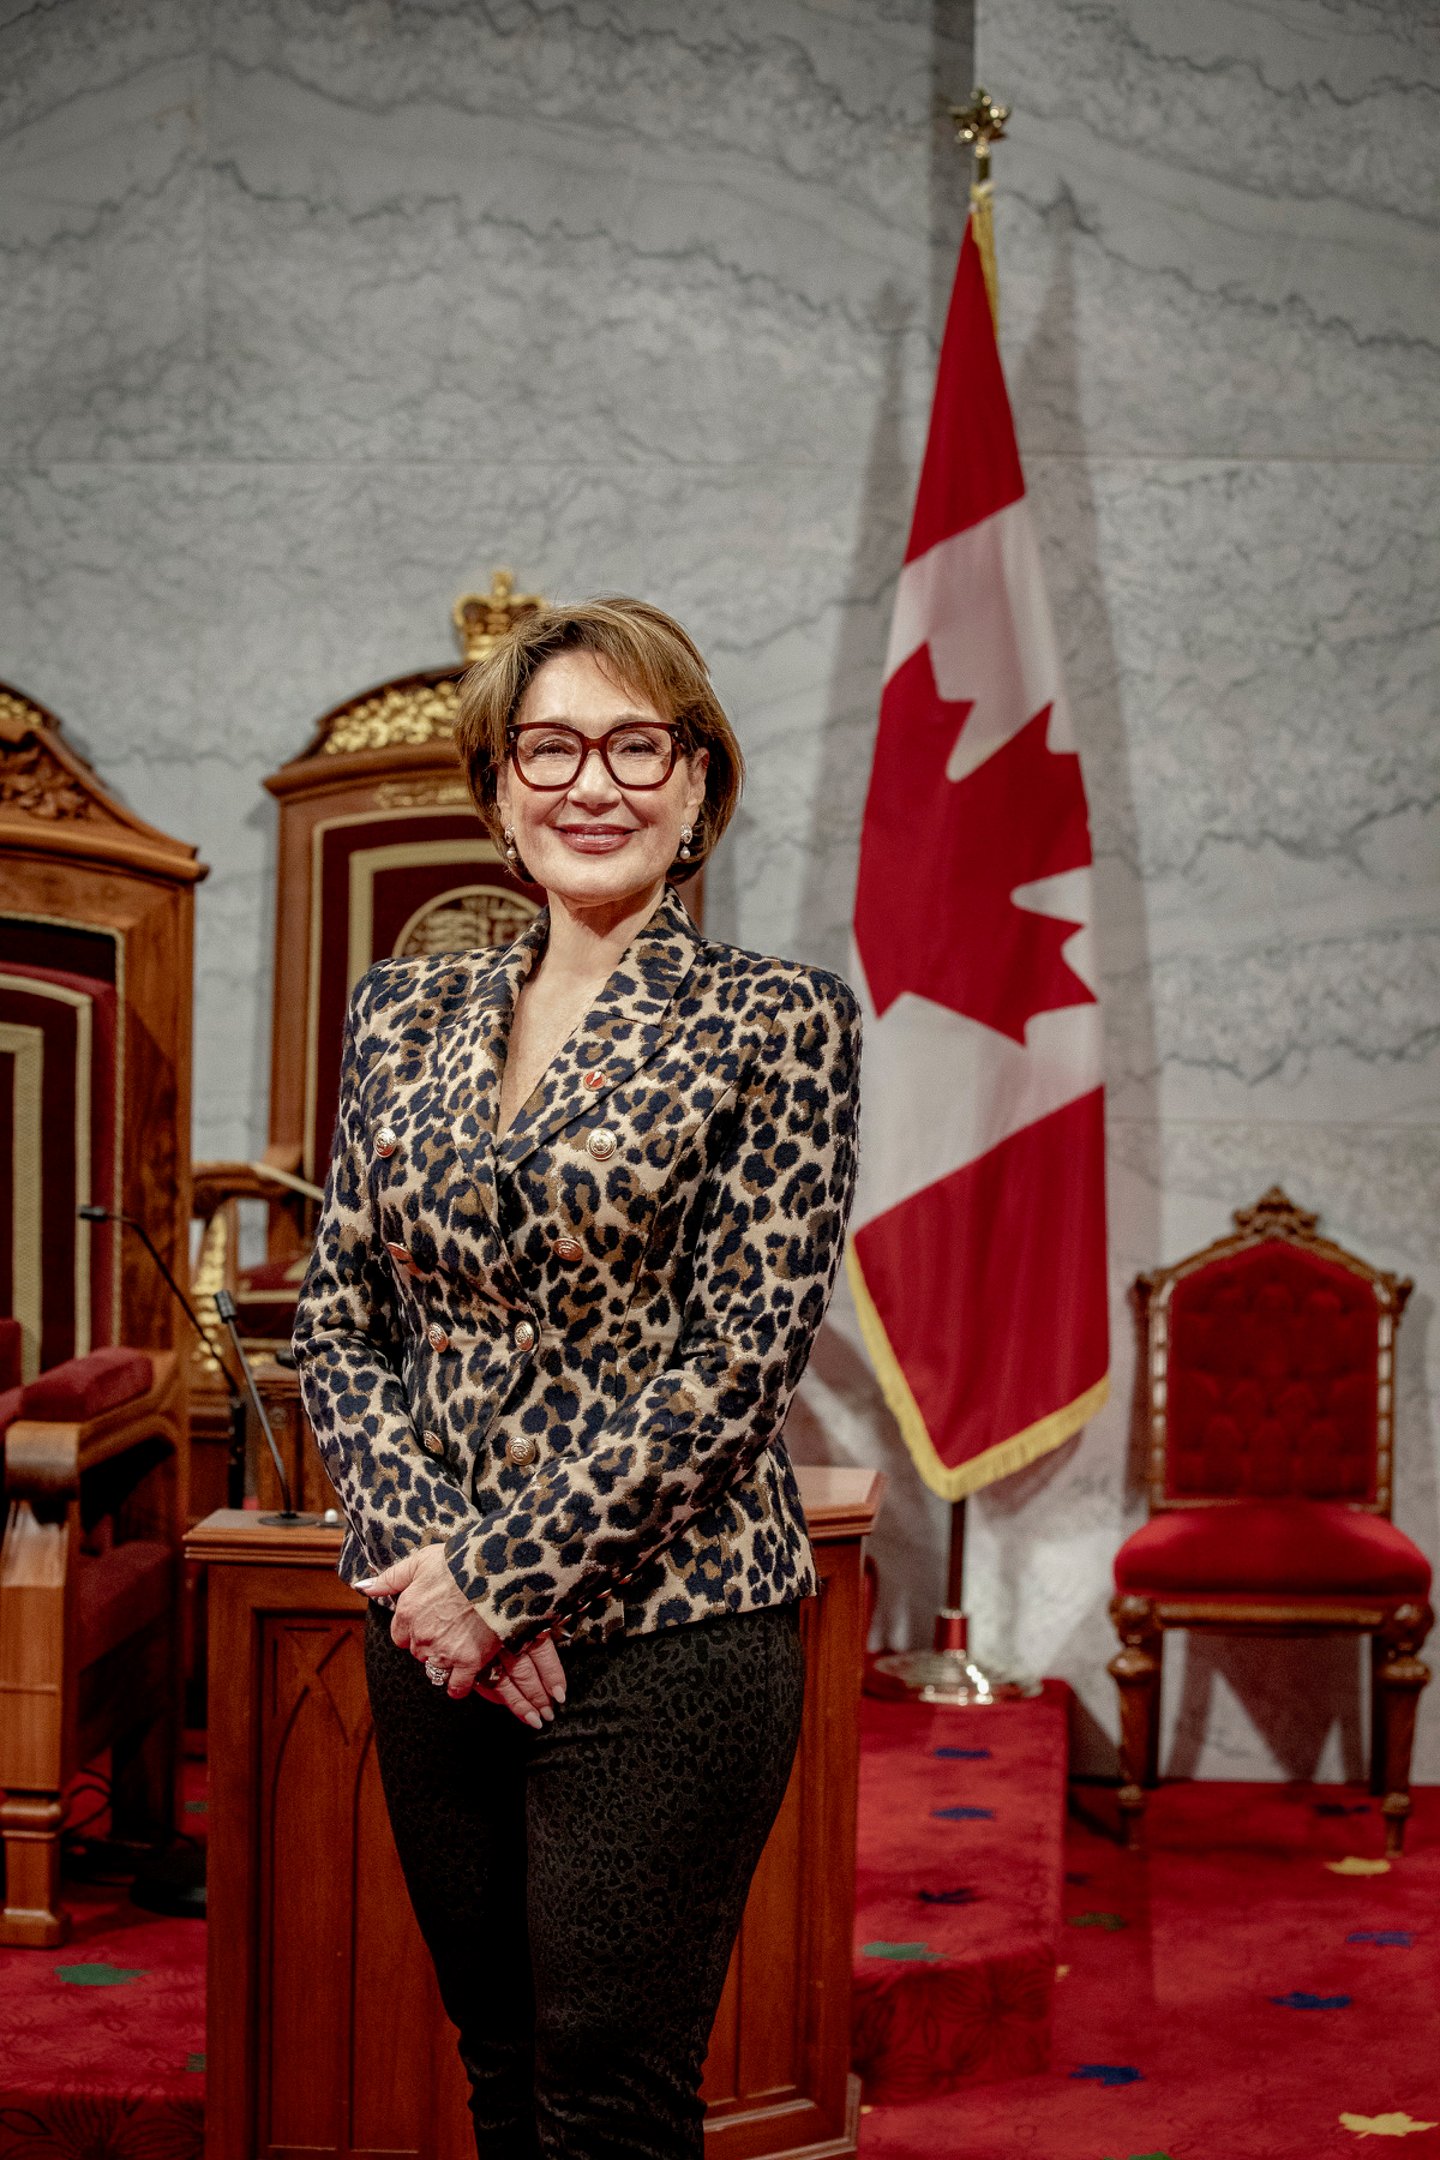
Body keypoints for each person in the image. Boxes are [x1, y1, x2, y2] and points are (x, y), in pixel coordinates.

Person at [291, 594, 861, 2159]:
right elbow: (337, 1321)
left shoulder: (778, 1021)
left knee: (608, 2099)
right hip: (435, 1639)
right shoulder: (401, 1013)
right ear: (495, 791)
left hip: (670, 1634)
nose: (588, 782)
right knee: (498, 2068)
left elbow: (738, 1360)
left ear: (695, 790)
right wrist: (431, 1578)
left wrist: (506, 1577)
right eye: (549, 747)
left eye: (634, 745)